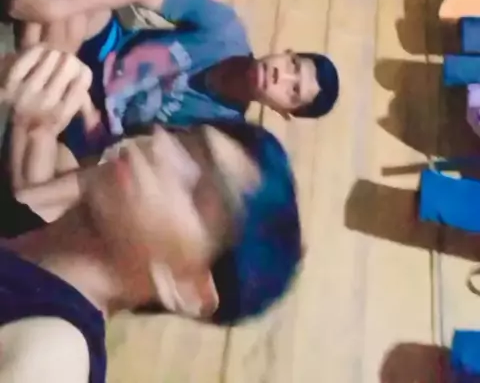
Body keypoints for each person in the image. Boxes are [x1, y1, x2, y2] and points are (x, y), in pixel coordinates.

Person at [0, 45, 302, 383]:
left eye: (197, 193)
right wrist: (19, 79)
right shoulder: (27, 233)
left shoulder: (53, 353)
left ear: (191, 291)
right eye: (185, 141)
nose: (158, 144)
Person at [3, 0, 340, 147]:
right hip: (110, 49)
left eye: (292, 91)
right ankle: (38, 49)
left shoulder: (220, 130)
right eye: (293, 64)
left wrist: (89, 112)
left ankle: (34, 53)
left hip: (97, 119)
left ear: (283, 111)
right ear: (286, 52)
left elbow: (124, 152)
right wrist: (55, 9)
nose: (282, 75)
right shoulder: (225, 28)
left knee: (63, 88)